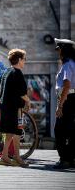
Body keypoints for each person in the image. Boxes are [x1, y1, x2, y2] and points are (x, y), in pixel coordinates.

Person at [0, 49, 30, 167]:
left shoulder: (6, 72)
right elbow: (22, 93)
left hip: (5, 106)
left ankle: (7, 157)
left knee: (12, 132)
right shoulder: (17, 73)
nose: (25, 62)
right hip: (14, 108)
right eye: (24, 59)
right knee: (15, 131)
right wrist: (29, 101)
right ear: (19, 60)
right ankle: (14, 157)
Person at [52, 38, 75, 169]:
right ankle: (71, 158)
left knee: (59, 130)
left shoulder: (67, 65)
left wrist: (60, 105)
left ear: (64, 50)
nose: (58, 53)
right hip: (72, 98)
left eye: (59, 50)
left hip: (68, 99)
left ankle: (65, 159)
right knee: (71, 130)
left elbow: (66, 85)